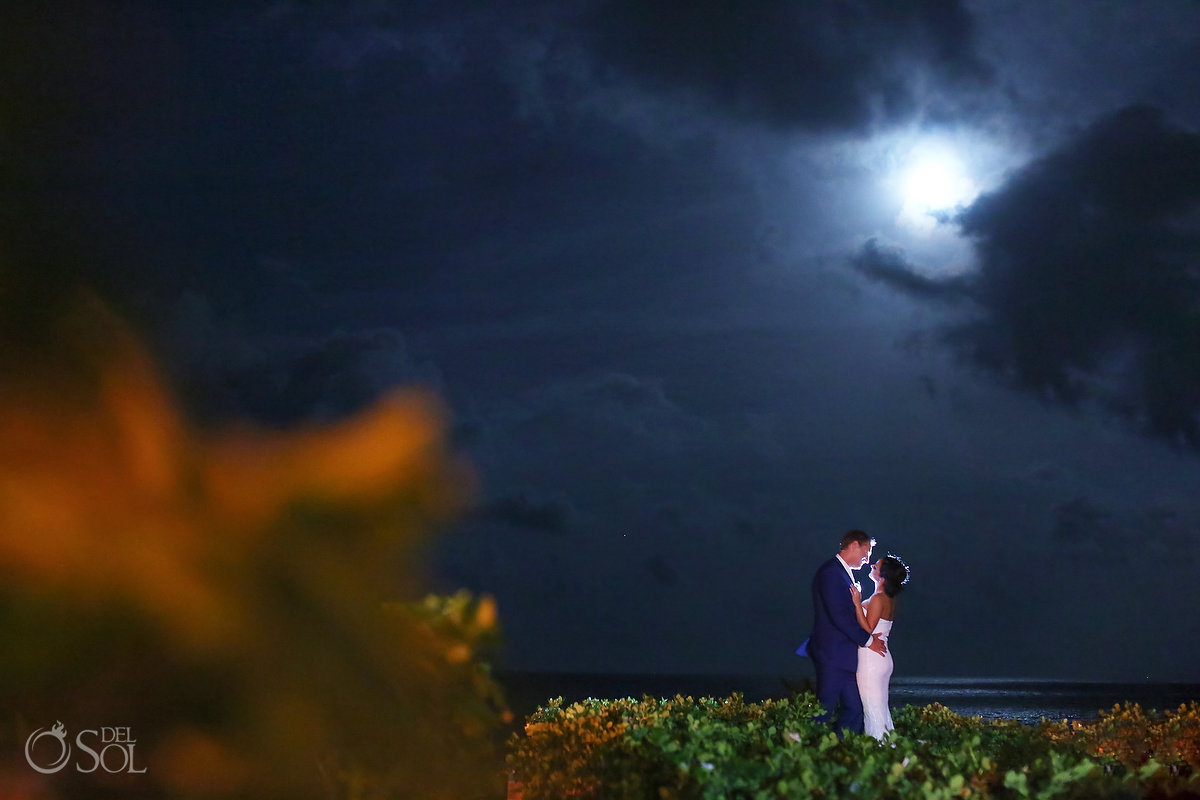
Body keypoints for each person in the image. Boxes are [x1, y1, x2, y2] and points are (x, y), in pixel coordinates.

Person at [798, 530, 887, 736]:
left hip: (844, 656)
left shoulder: (841, 573)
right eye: (867, 552)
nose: (868, 560)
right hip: (833, 654)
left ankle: (840, 751)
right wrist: (868, 640)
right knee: (825, 709)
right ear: (854, 545)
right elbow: (838, 615)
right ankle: (808, 753)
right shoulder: (831, 573)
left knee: (855, 708)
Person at [850, 554, 909, 740]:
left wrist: (857, 603)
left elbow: (868, 628)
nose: (872, 566)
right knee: (880, 710)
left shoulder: (878, 598)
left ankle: (878, 750)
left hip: (871, 660)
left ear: (882, 577)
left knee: (872, 711)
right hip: (882, 658)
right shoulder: (889, 599)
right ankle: (888, 749)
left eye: (875, 567)